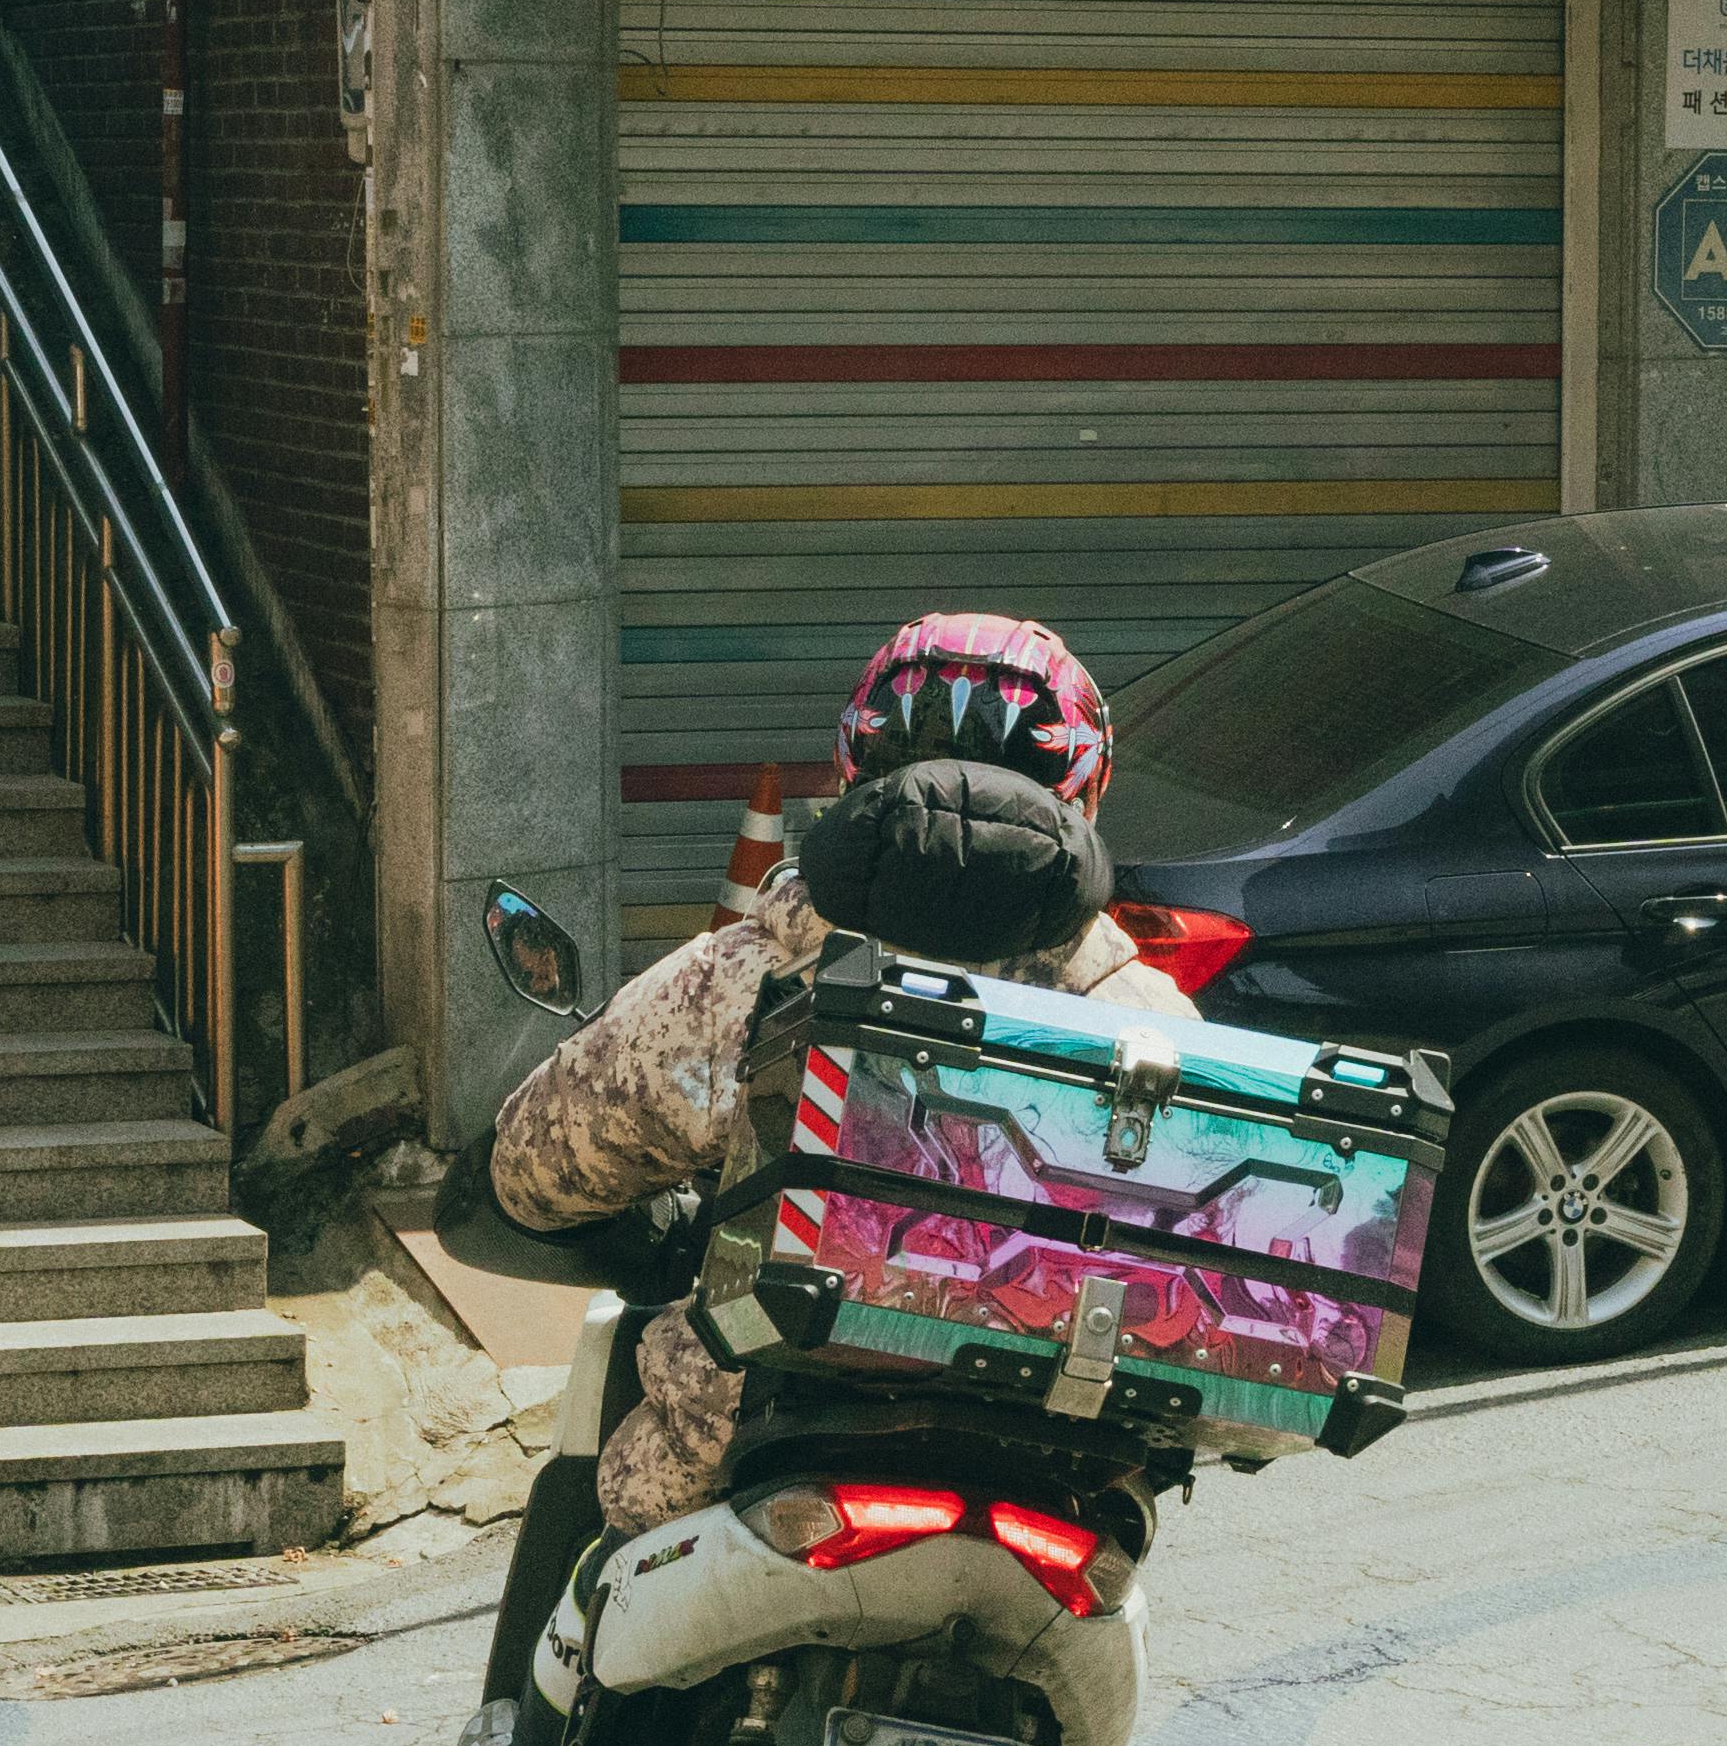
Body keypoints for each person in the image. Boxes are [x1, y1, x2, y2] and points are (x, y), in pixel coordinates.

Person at [487, 613, 1196, 1559]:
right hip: (1059, 1483)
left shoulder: (739, 980)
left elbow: (536, 1169)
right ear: (1086, 789)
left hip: (754, 1446)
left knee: (602, 1580)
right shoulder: (1150, 1021)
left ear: (851, 774)